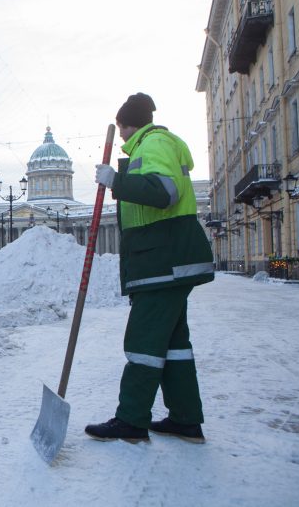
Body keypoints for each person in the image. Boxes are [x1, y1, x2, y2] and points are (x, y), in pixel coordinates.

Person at [85, 92, 214, 444]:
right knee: (174, 345)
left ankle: (131, 419)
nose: (122, 138)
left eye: (123, 129)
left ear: (128, 124)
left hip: (162, 262)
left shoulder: (153, 143)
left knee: (143, 342)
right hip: (166, 261)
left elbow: (163, 192)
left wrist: (116, 181)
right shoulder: (156, 144)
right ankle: (185, 419)